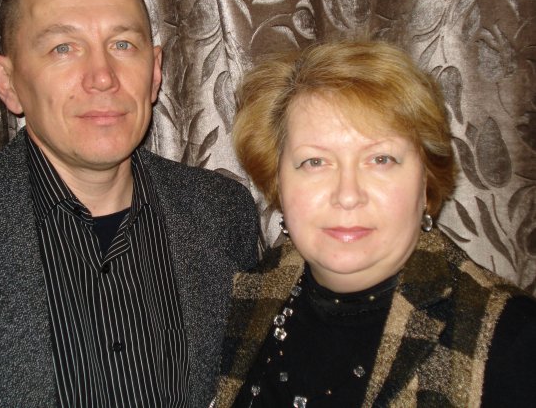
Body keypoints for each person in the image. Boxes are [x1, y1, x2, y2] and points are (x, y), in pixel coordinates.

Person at [0, 0, 258, 406]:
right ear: (7, 82)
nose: (103, 77)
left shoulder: (222, 212)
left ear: (155, 72)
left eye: (122, 44)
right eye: (63, 48)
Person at [213, 40, 536, 407]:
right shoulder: (247, 295)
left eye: (381, 159)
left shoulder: (513, 342)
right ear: (278, 183)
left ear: (426, 183)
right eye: (315, 162)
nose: (347, 195)